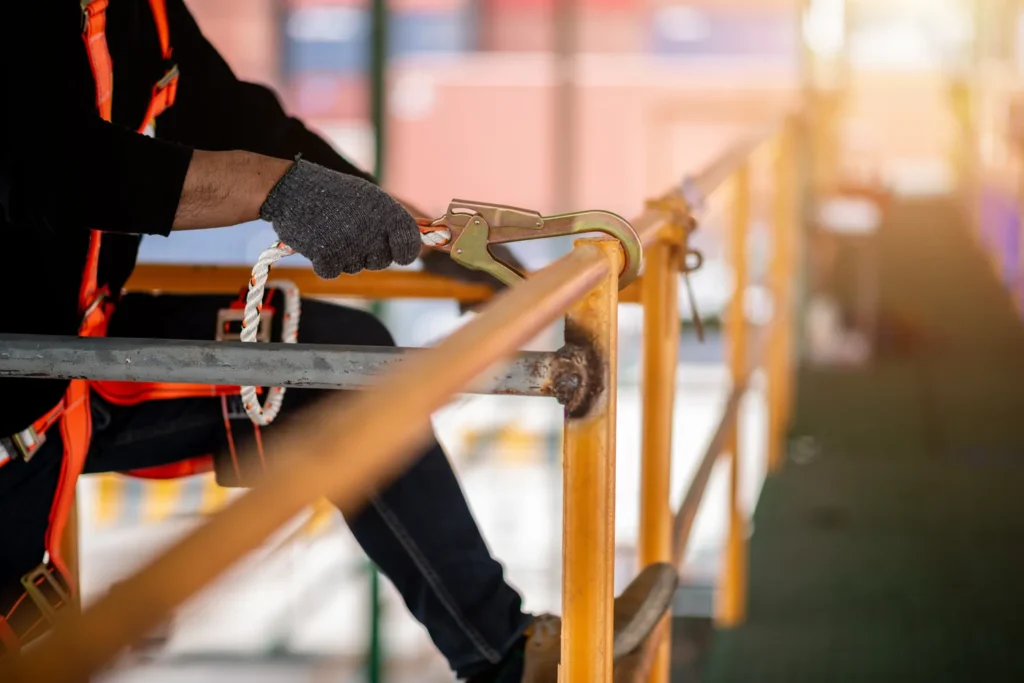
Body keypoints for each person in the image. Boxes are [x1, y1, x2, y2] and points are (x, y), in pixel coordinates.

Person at [0, 1, 677, 680]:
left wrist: (422, 236)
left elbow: (241, 120)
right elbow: (49, 166)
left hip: (76, 353)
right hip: (17, 402)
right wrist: (271, 190)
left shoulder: (140, 14)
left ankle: (512, 659)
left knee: (347, 368)